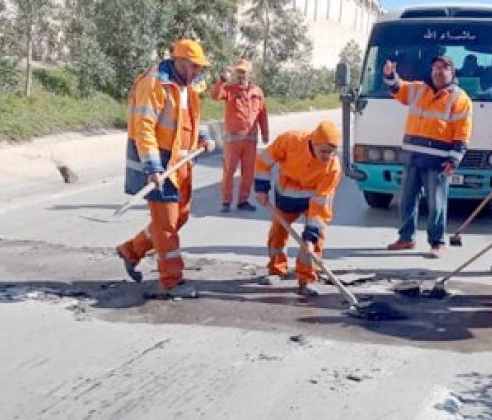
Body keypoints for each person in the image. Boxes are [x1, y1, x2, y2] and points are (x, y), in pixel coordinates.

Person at [116, 39, 217, 297]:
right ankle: (172, 281)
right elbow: (144, 128)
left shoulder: (187, 86)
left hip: (181, 164)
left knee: (179, 217)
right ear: (179, 62)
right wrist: (152, 167)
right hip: (160, 164)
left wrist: (203, 138)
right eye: (194, 67)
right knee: (166, 226)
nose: (197, 73)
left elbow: (189, 120)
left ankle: (131, 250)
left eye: (199, 69)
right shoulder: (154, 83)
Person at [383, 55, 473, 258]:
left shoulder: (460, 99)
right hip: (413, 157)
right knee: (406, 200)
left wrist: (454, 159)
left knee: (437, 204)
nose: (440, 71)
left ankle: (437, 242)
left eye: (445, 67)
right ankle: (406, 238)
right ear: (431, 70)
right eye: (436, 67)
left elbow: (462, 133)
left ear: (453, 72)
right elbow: (397, 89)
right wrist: (390, 75)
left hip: (438, 161)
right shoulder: (417, 89)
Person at [254, 121, 342, 297]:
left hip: (311, 203)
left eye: (331, 152)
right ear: (314, 143)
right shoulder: (291, 141)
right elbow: (264, 160)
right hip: (286, 196)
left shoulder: (333, 168)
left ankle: (307, 279)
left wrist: (311, 234)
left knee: (314, 241)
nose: (328, 156)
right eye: (324, 151)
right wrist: (261, 188)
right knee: (278, 233)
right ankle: (277, 270)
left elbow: (321, 204)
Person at [210, 58, 270, 212]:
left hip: (251, 139)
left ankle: (243, 201)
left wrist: (265, 133)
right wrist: (222, 80)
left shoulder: (257, 92)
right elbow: (214, 95)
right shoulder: (229, 90)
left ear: (249, 73)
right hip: (233, 139)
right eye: (238, 72)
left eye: (243, 72)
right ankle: (226, 201)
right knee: (229, 171)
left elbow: (262, 114)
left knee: (248, 173)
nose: (240, 75)